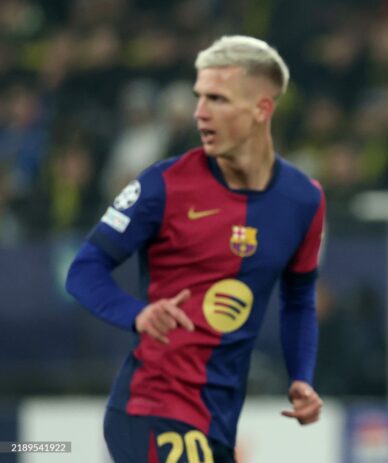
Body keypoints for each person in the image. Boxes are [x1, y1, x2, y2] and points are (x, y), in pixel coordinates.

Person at [66, 35, 325, 462]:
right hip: (151, 410)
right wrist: (139, 314)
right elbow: (84, 269)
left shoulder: (304, 199)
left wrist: (301, 377)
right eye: (199, 97)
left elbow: (298, 299)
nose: (200, 113)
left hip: (218, 423)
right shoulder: (163, 184)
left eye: (218, 100)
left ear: (262, 109)